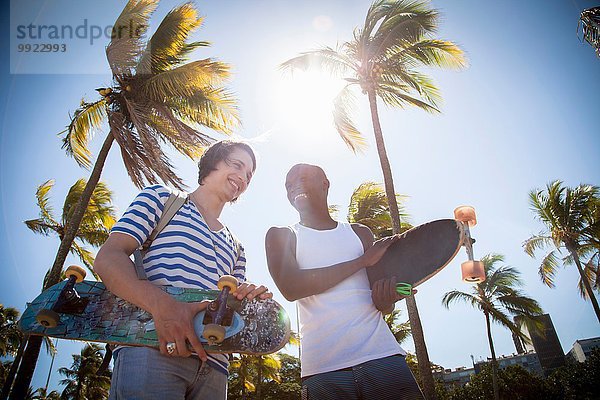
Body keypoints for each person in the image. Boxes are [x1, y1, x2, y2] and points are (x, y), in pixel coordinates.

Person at [95, 140, 271, 400]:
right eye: (237, 165)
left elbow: (227, 309)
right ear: (212, 163)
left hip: (215, 368)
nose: (243, 177)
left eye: (249, 175)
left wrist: (247, 298)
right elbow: (108, 258)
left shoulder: (237, 247)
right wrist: (162, 306)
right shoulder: (162, 199)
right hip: (151, 349)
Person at [265, 163, 424, 400]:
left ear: (325, 184)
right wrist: (361, 261)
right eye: (288, 185)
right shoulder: (281, 235)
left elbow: (382, 304)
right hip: (323, 369)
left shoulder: (360, 233)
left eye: (303, 178)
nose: (294, 187)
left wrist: (387, 298)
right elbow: (291, 287)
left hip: (381, 356)